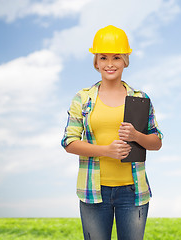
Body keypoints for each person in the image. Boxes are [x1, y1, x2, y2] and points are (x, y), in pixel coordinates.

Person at [61, 25, 163, 240]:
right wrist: (106, 150)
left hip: (133, 192)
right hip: (94, 192)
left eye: (116, 57)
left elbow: (156, 141)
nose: (109, 64)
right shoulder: (83, 98)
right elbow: (69, 142)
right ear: (96, 62)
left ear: (125, 60)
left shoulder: (140, 98)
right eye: (103, 58)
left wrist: (136, 136)